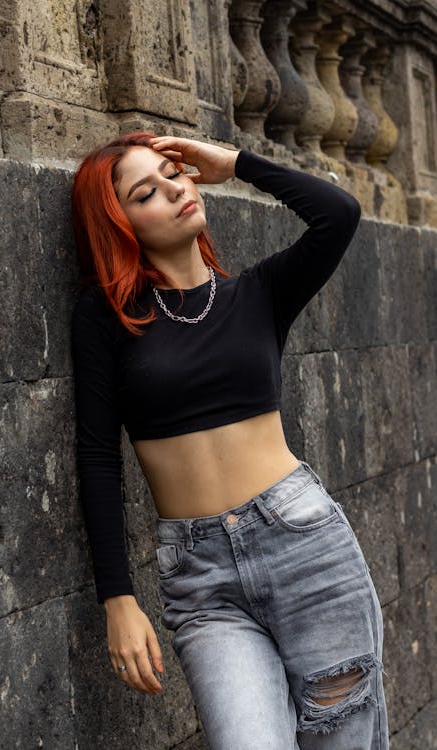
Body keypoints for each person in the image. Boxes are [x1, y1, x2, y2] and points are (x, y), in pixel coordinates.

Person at [70, 132, 390, 749]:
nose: (174, 190)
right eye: (146, 193)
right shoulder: (108, 317)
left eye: (175, 175)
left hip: (308, 552)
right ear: (119, 224)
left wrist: (236, 163)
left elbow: (338, 214)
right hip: (202, 577)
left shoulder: (258, 294)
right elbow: (96, 454)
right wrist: (118, 597)